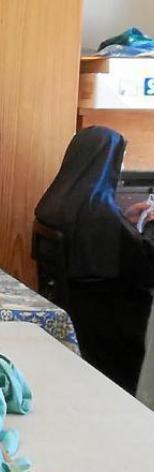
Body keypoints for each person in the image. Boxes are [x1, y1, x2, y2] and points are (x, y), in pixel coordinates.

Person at [35, 126, 154, 394]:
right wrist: (149, 228)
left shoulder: (58, 202)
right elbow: (146, 269)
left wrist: (125, 219)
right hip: (109, 325)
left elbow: (110, 238)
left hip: (79, 313)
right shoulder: (101, 216)